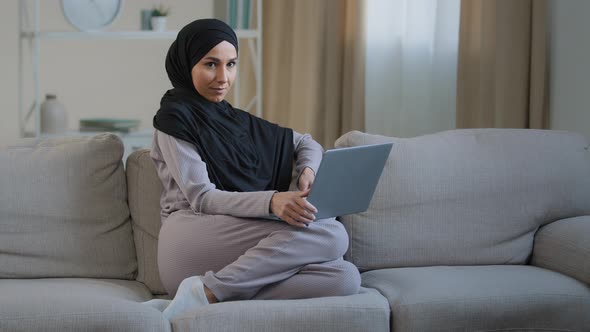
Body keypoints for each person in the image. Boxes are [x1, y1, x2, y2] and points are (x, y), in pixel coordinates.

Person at [144, 18, 360, 321]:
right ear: (186, 63)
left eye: (231, 64)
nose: (223, 77)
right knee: (332, 234)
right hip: (190, 235)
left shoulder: (235, 120)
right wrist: (273, 201)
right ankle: (206, 292)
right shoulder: (173, 120)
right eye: (210, 64)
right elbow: (202, 197)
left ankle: (205, 294)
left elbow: (306, 143)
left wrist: (306, 174)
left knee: (345, 278)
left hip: (231, 237)